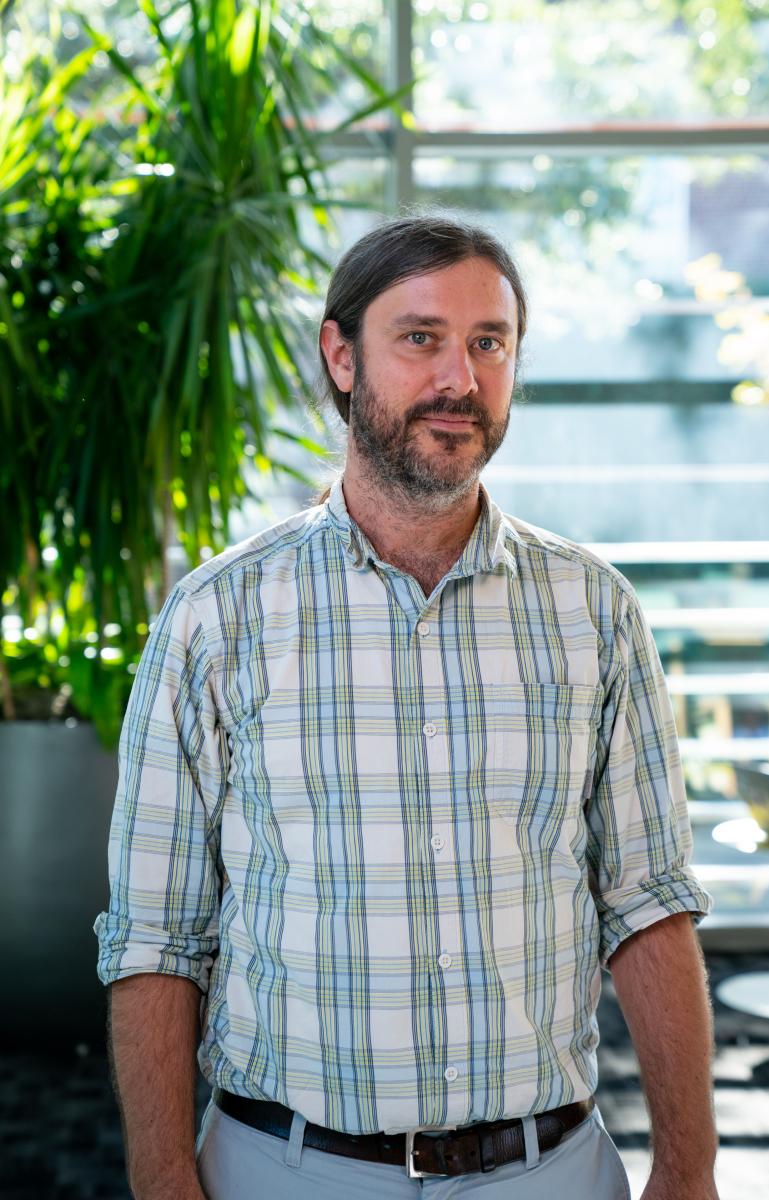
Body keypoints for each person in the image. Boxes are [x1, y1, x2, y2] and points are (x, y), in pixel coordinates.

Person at [96, 213, 719, 1200]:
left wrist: (688, 1169)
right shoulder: (216, 618)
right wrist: (163, 1180)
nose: (459, 379)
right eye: (420, 337)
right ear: (341, 356)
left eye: (489, 343)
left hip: (549, 1172)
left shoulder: (594, 610)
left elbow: (647, 905)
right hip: (282, 1172)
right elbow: (156, 937)